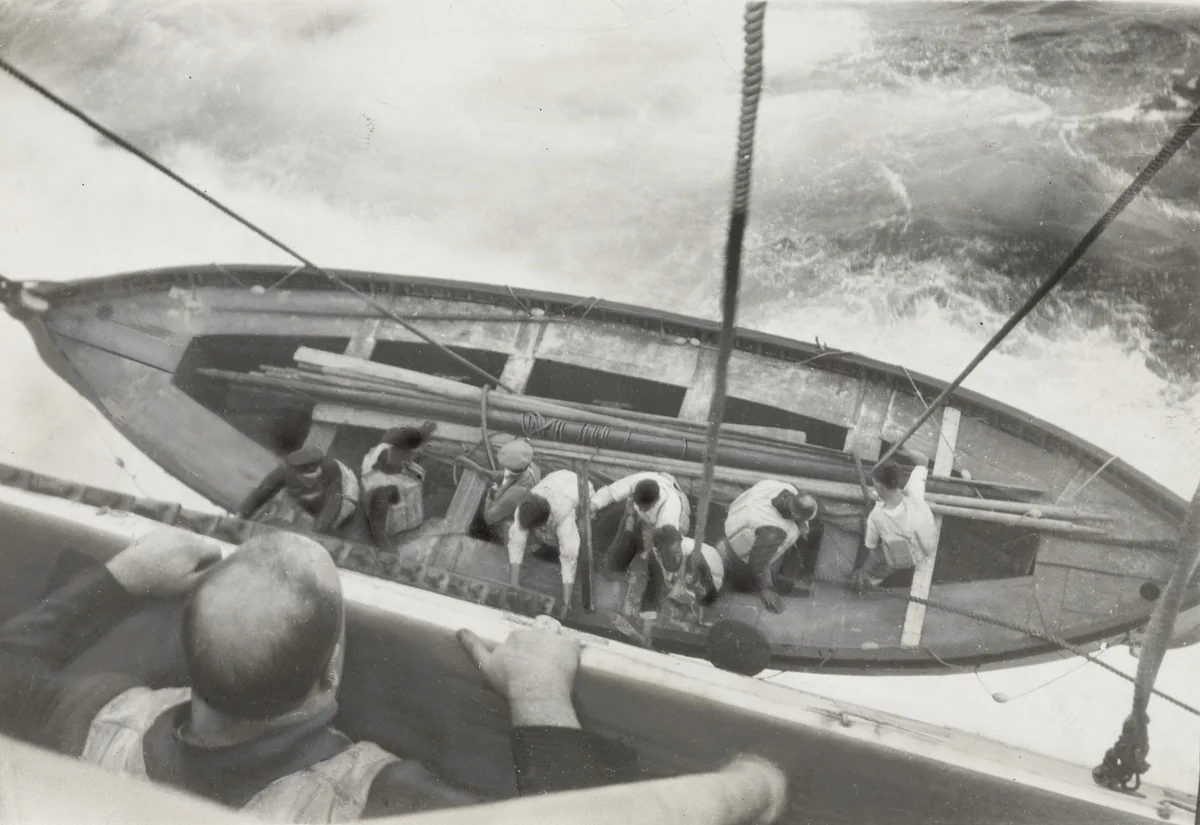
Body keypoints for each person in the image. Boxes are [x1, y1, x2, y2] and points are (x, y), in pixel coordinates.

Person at [0, 528, 642, 822]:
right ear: (333, 669)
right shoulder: (373, 801)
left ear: (188, 649)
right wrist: (538, 689)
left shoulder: (98, 718)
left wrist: (120, 579)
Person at [590, 471, 691, 613]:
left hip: (667, 532)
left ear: (655, 502)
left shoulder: (669, 512)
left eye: (644, 507)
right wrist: (592, 505)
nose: (641, 508)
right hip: (640, 517)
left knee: (655, 564)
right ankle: (613, 574)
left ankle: (650, 606)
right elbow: (610, 492)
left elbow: (666, 546)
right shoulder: (638, 482)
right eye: (639, 505)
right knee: (621, 546)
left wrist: (650, 552)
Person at [718, 480, 819, 614]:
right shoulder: (774, 532)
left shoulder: (778, 487)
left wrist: (800, 523)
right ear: (795, 515)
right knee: (754, 581)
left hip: (732, 526)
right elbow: (758, 564)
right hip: (741, 555)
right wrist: (766, 590)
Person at [508, 469, 594, 611]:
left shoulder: (564, 519)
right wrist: (513, 585)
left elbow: (569, 557)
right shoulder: (524, 508)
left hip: (581, 488)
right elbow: (516, 543)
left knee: (571, 542)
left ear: (542, 524)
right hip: (557, 478)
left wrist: (566, 602)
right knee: (521, 534)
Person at [852, 454, 937, 591]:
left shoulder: (876, 516)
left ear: (880, 486)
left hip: (909, 557)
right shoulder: (915, 494)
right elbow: (923, 462)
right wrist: (905, 451)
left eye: (874, 482)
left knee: (880, 555)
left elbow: (871, 548)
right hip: (928, 543)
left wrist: (864, 570)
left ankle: (867, 580)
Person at [236, 446, 359, 534]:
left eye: (316, 476)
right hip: (307, 494)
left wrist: (316, 533)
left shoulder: (332, 469)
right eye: (308, 479)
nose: (312, 481)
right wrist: (240, 515)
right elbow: (261, 492)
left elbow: (333, 506)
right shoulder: (284, 471)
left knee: (332, 527)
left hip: (346, 492)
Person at [361, 423, 436, 549]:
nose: (409, 458)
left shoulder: (409, 470)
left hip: (404, 532)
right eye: (408, 454)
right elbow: (377, 527)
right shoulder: (382, 483)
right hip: (384, 534)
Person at [456, 439, 542, 541]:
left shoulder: (515, 493)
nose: (505, 469)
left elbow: (489, 518)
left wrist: (490, 494)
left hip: (517, 526)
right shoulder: (531, 466)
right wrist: (481, 470)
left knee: (482, 520)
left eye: (507, 467)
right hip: (524, 506)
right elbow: (510, 476)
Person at [651, 526, 725, 607]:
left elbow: (709, 594)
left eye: (678, 549)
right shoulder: (657, 551)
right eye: (674, 553)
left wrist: (701, 589)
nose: (678, 555)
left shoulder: (693, 556)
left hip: (712, 568)